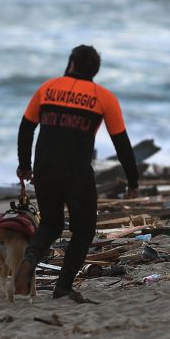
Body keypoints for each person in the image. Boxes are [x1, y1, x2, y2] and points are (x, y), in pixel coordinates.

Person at [14, 45, 139, 300]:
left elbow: (26, 128)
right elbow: (121, 143)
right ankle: (63, 287)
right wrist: (132, 181)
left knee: (50, 223)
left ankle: (30, 259)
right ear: (95, 70)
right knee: (83, 229)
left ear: (71, 63)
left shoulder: (47, 89)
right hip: (76, 171)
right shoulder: (104, 97)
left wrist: (25, 166)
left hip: (44, 167)